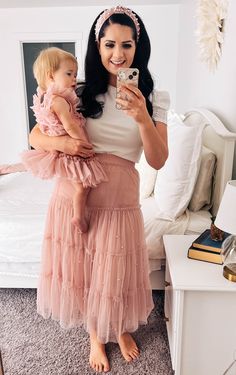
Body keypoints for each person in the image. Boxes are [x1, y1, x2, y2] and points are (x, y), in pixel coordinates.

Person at [29, 6, 169, 373]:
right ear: (97, 46)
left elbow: (157, 160)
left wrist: (141, 118)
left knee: (116, 268)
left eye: (127, 45)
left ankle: (120, 327)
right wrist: (66, 145)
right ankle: (95, 334)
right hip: (74, 193)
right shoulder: (76, 91)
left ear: (139, 47)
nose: (118, 54)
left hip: (120, 198)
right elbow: (35, 135)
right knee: (86, 269)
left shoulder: (155, 98)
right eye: (109, 45)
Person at [21, 47, 107, 233]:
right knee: (82, 186)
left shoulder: (47, 99)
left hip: (61, 152)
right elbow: (68, 126)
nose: (74, 79)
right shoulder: (60, 100)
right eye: (69, 74)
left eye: (75, 74)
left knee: (80, 185)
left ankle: (78, 215)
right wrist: (81, 141)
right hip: (71, 150)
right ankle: (78, 216)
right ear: (51, 76)